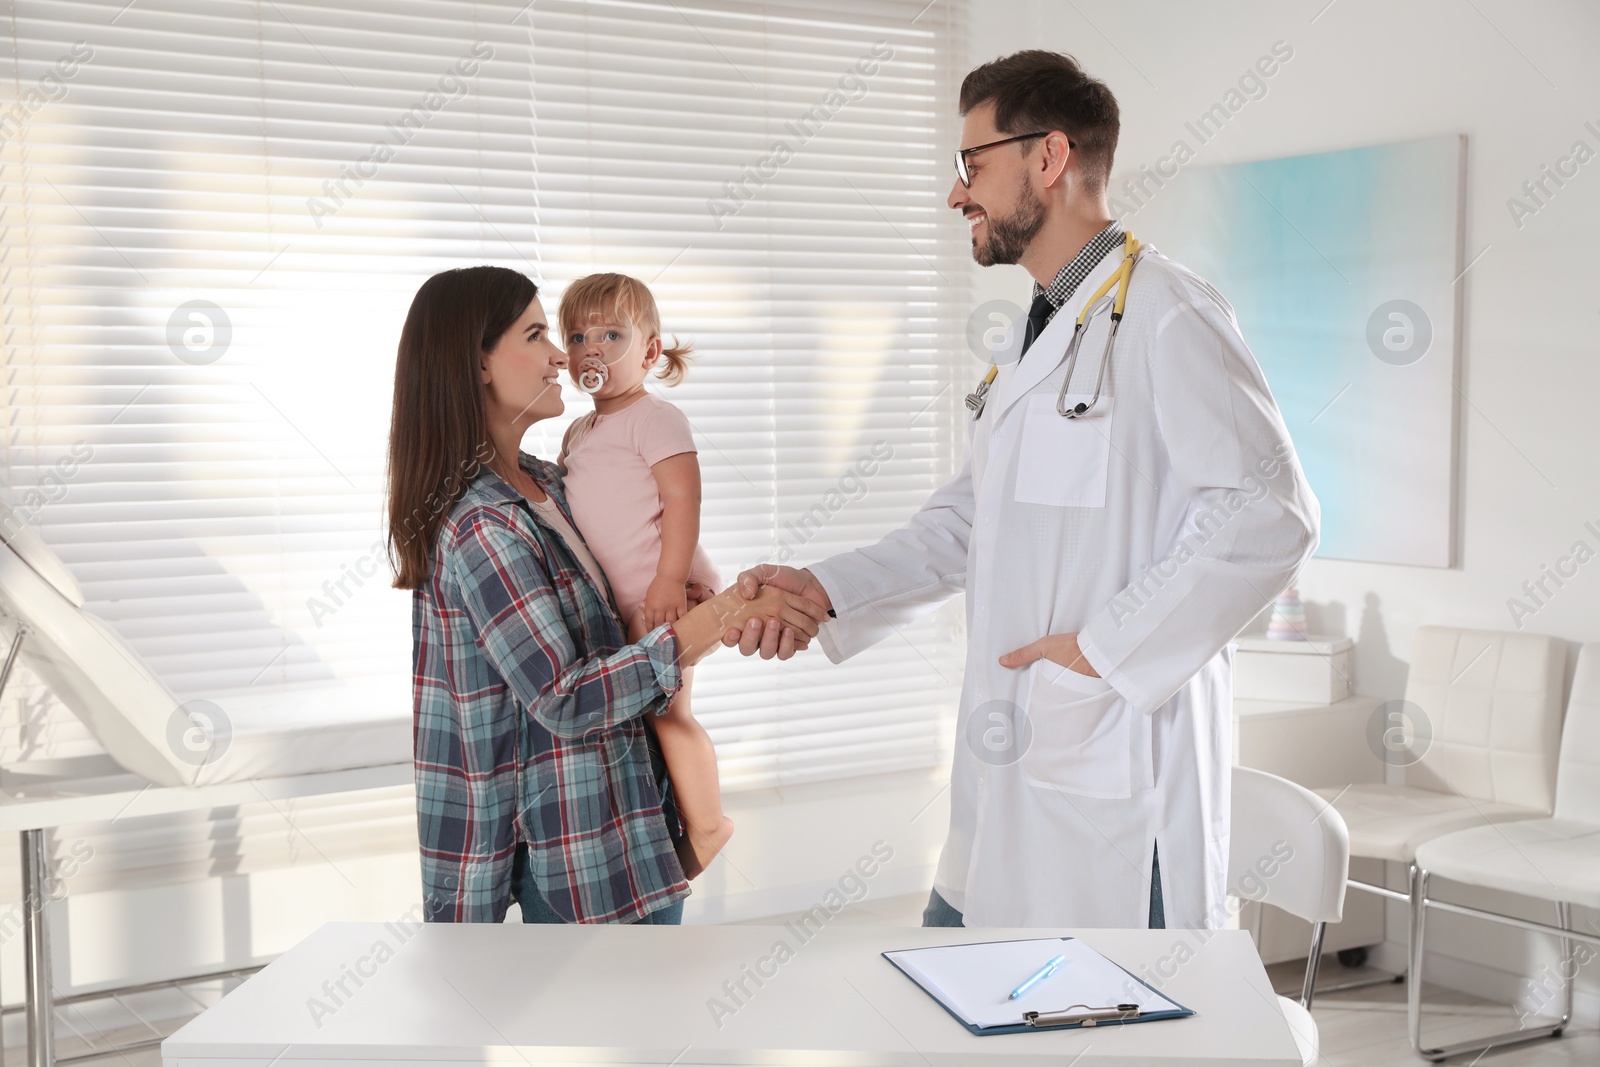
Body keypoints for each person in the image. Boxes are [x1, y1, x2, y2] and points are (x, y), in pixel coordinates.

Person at [726, 51, 1320, 930]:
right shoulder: (1041, 332)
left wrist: (1107, 647)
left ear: (1048, 159)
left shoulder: (1167, 312)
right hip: (1013, 775)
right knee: (963, 979)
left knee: (1110, 1024)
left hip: (1113, 778)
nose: (956, 193)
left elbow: (1269, 513)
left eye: (972, 165)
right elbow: (971, 521)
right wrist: (831, 588)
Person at [386, 265, 826, 924]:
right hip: (578, 860)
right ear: (479, 364)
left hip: (634, 832)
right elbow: (564, 695)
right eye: (538, 335)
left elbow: (632, 568)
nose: (564, 356)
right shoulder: (483, 522)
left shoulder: (549, 481)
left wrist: (696, 592)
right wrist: (724, 613)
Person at [556, 272, 732, 879]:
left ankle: (710, 827)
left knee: (669, 713)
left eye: (611, 334)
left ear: (651, 352)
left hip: (666, 592)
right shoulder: (578, 432)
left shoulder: (655, 418)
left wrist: (668, 580)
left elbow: (683, 499)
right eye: (577, 337)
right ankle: (671, 825)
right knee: (641, 719)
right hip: (624, 602)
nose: (592, 350)